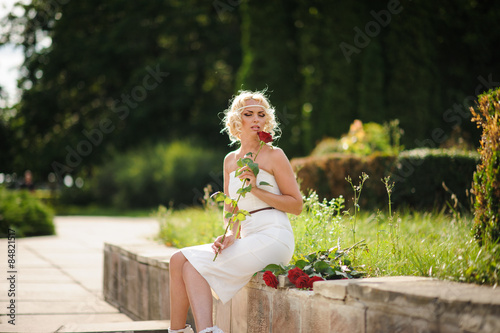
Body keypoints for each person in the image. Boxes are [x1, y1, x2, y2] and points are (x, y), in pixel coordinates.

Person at [168, 90, 303, 333]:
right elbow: (231, 208)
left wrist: (256, 190)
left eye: (261, 114)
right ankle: (180, 331)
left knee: (191, 264)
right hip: (249, 236)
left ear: (267, 121)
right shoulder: (230, 160)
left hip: (274, 236)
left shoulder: (274, 155)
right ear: (236, 121)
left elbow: (296, 205)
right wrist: (230, 234)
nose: (256, 119)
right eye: (248, 114)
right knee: (178, 260)